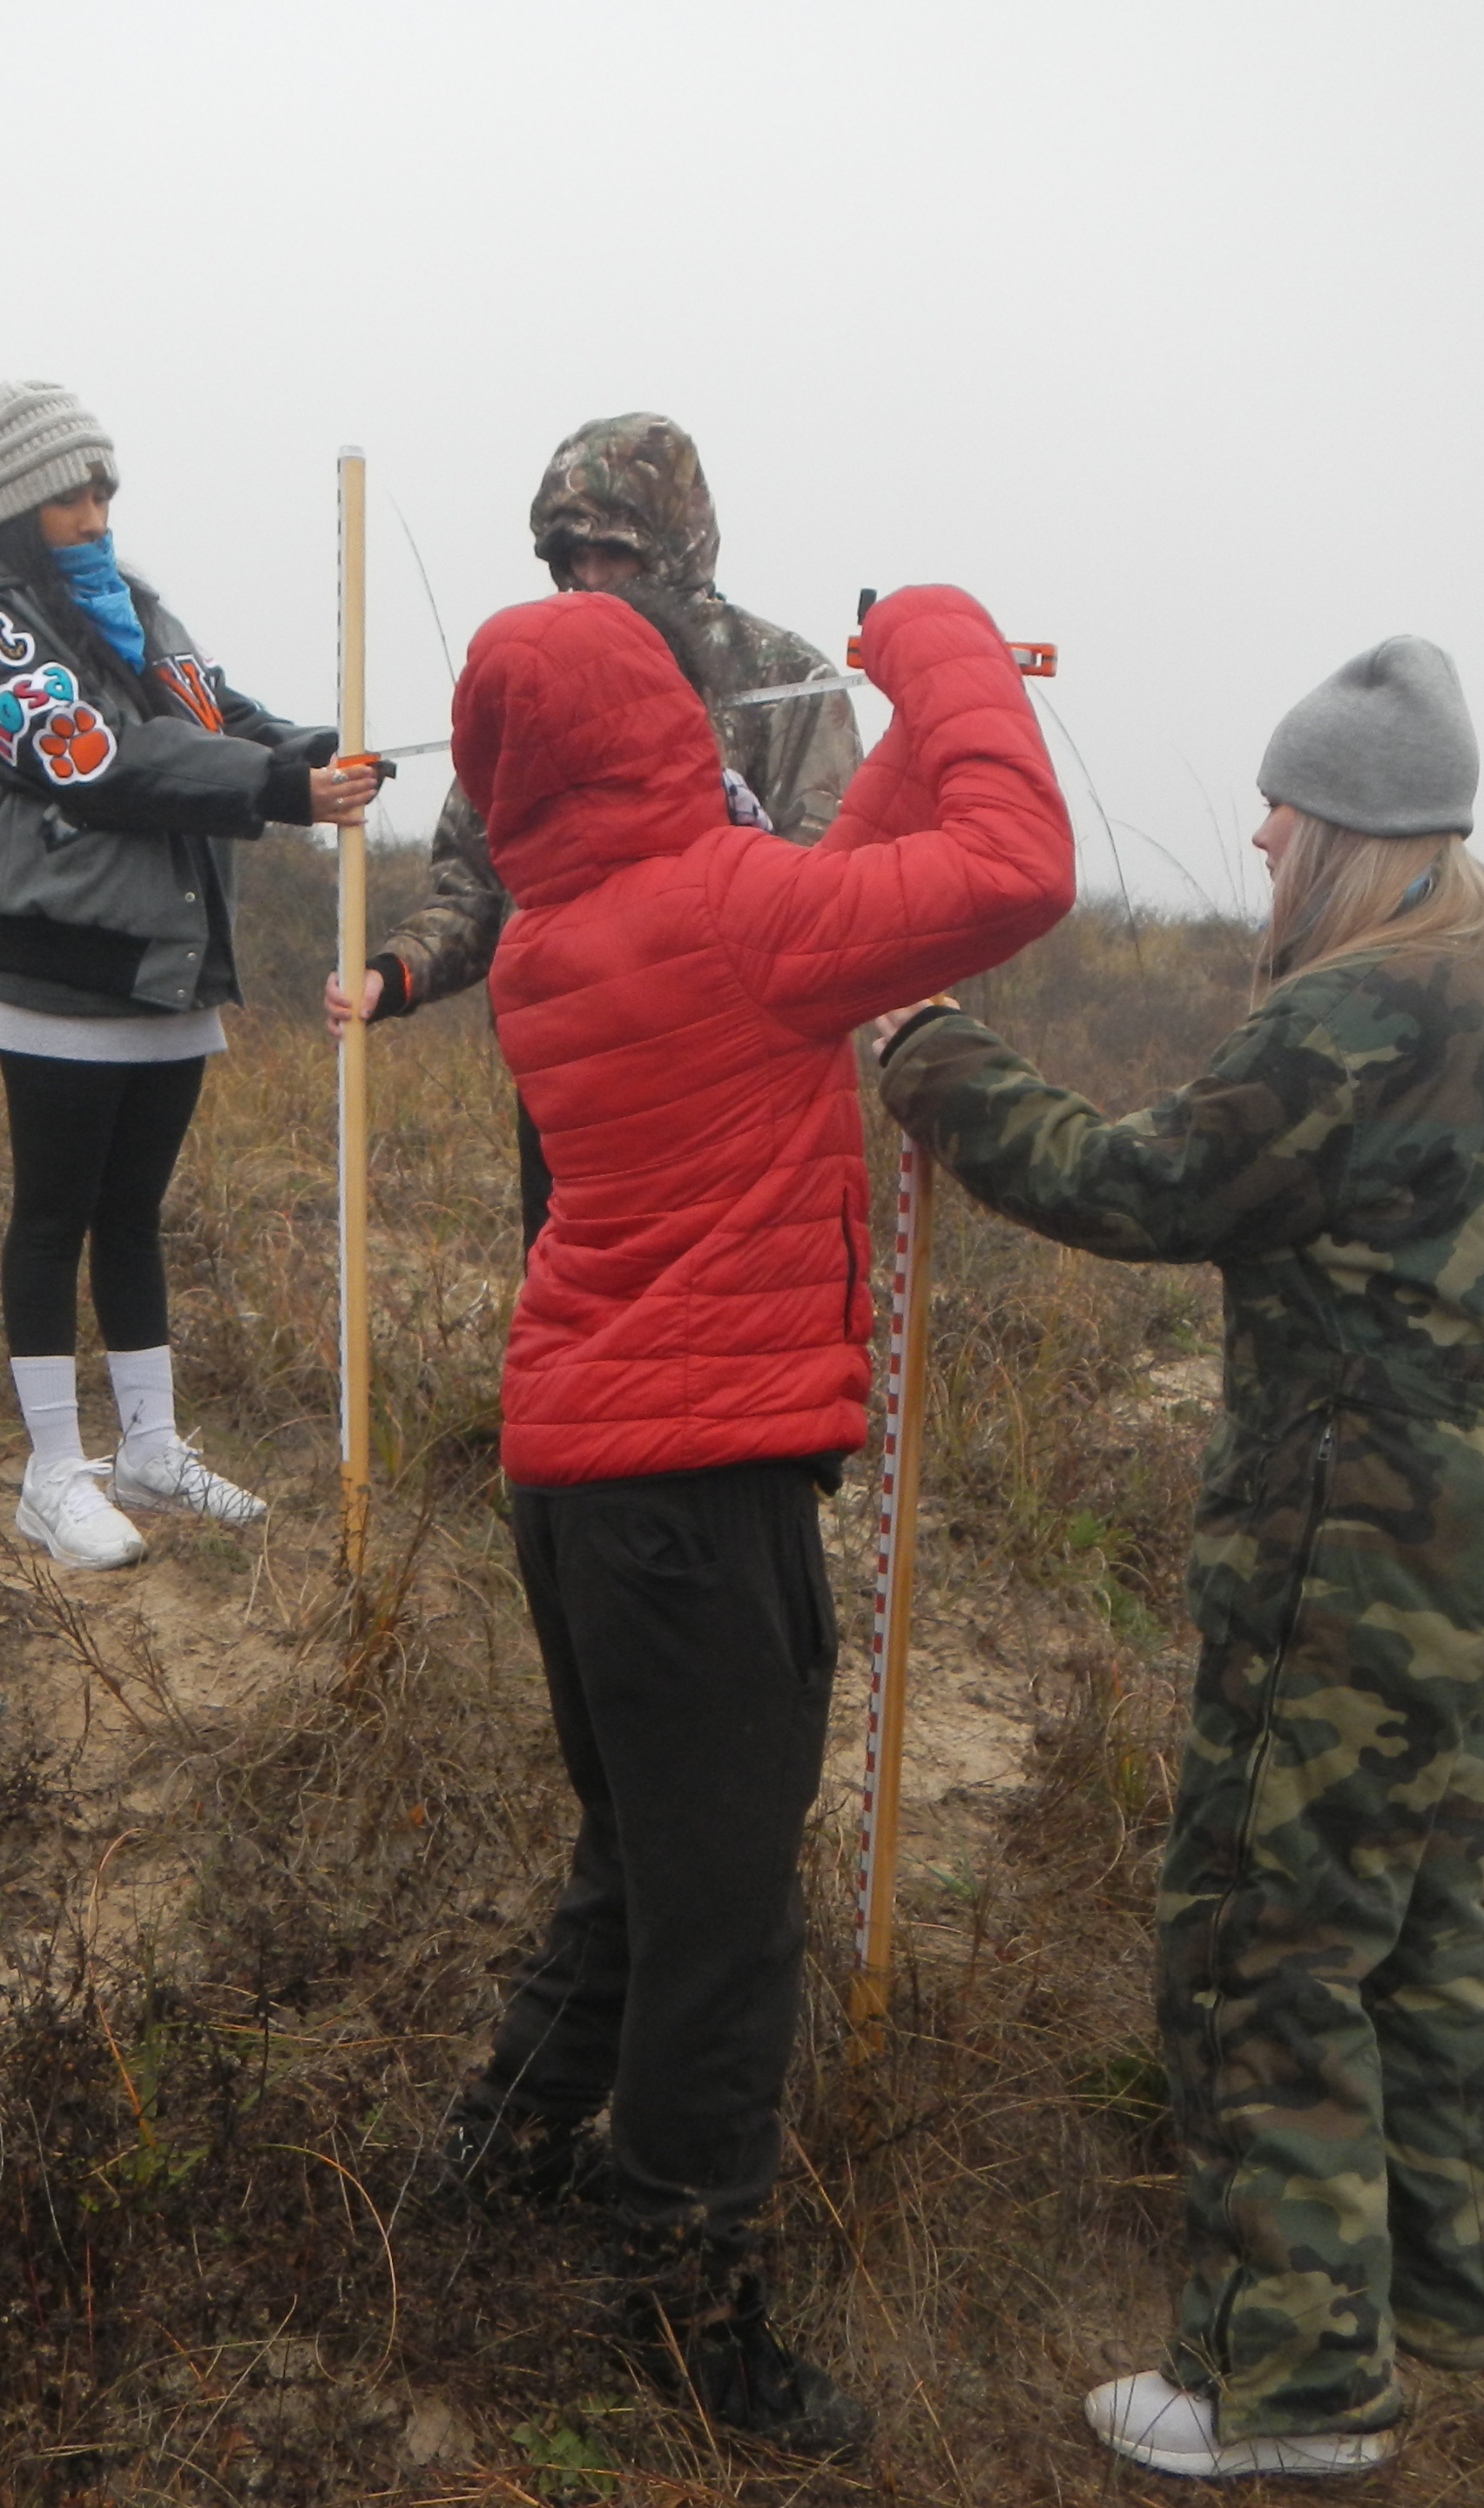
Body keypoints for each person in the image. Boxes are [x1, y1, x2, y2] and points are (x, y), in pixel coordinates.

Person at [870, 639, 1484, 2480]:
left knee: (1262, 1940)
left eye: (1286, 804)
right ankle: (1428, 2294)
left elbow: (1145, 1185)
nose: (1255, 828)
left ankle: (1288, 2385)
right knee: (1406, 1921)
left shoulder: (1351, 1010)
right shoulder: (1476, 970)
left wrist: (925, 1052)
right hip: (1480, 1515)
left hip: (1359, 1541)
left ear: (1348, 827)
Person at [436, 582, 1074, 2453]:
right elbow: (1010, 867)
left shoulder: (563, 930)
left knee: (639, 1869)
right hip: (692, 1513)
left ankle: (482, 2173)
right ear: (657, 718)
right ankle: (686, 2330)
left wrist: (881, 730)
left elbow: (835, 890)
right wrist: (940, 639)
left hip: (577, 1488)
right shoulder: (723, 918)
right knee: (721, 1932)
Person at [0, 381, 372, 1571]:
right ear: (23, 503)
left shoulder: (137, 605)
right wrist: (273, 793)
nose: (99, 510)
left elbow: (211, 709)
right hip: (60, 966)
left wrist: (306, 751)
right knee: (53, 1215)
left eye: (107, 485)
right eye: (75, 491)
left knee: (132, 1216)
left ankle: (152, 1453)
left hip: (171, 967)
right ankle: (53, 1474)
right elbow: (95, 759)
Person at [325, 412, 861, 1239]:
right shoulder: (543, 676)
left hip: (732, 1090)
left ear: (675, 543)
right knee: (574, 1318)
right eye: (572, 556)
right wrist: (392, 975)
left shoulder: (784, 679)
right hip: (574, 1086)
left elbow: (821, 887)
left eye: (614, 552)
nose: (590, 574)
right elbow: (475, 880)